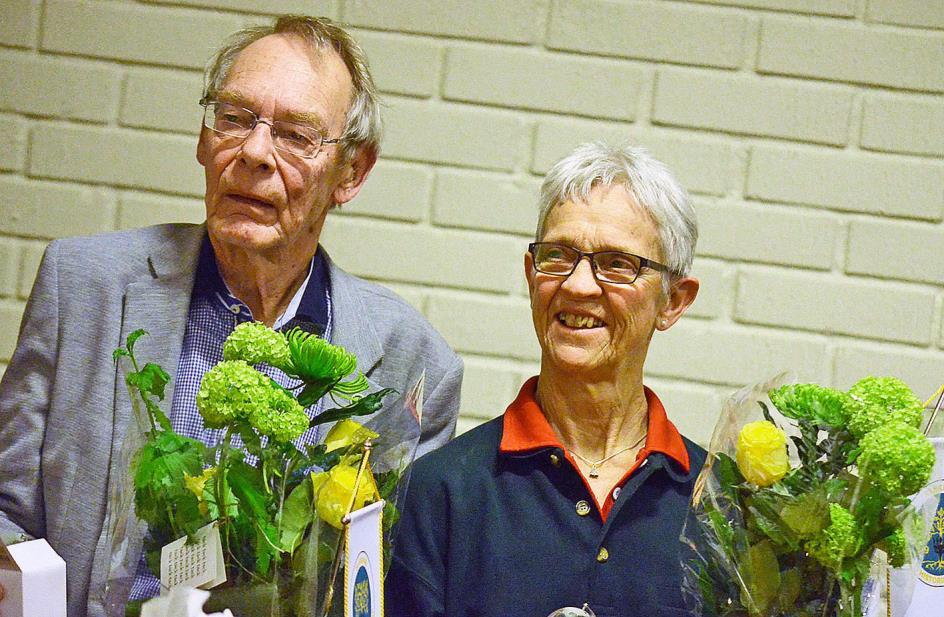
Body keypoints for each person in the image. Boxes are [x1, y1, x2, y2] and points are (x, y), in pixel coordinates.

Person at [0, 15, 463, 617]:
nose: (253, 152)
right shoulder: (82, 286)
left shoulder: (414, 364)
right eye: (235, 118)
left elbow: (396, 589)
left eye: (296, 134)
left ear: (351, 172)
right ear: (202, 138)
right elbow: (7, 507)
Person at [386, 141, 704, 617]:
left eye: (617, 264)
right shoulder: (440, 491)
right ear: (531, 274)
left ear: (673, 300)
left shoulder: (717, 505)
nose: (577, 285)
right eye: (558, 255)